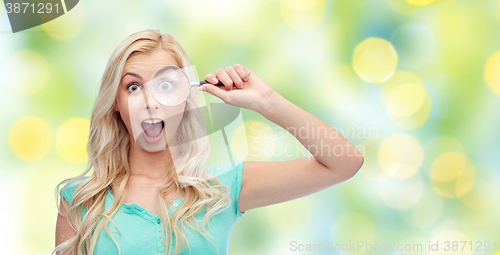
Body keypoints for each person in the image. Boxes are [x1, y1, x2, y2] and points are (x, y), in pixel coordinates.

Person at [54, 29, 364, 255]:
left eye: (165, 84)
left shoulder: (222, 190)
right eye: (133, 87)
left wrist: (266, 101)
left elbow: (344, 163)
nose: (150, 101)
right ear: (116, 103)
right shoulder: (81, 201)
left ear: (186, 97)